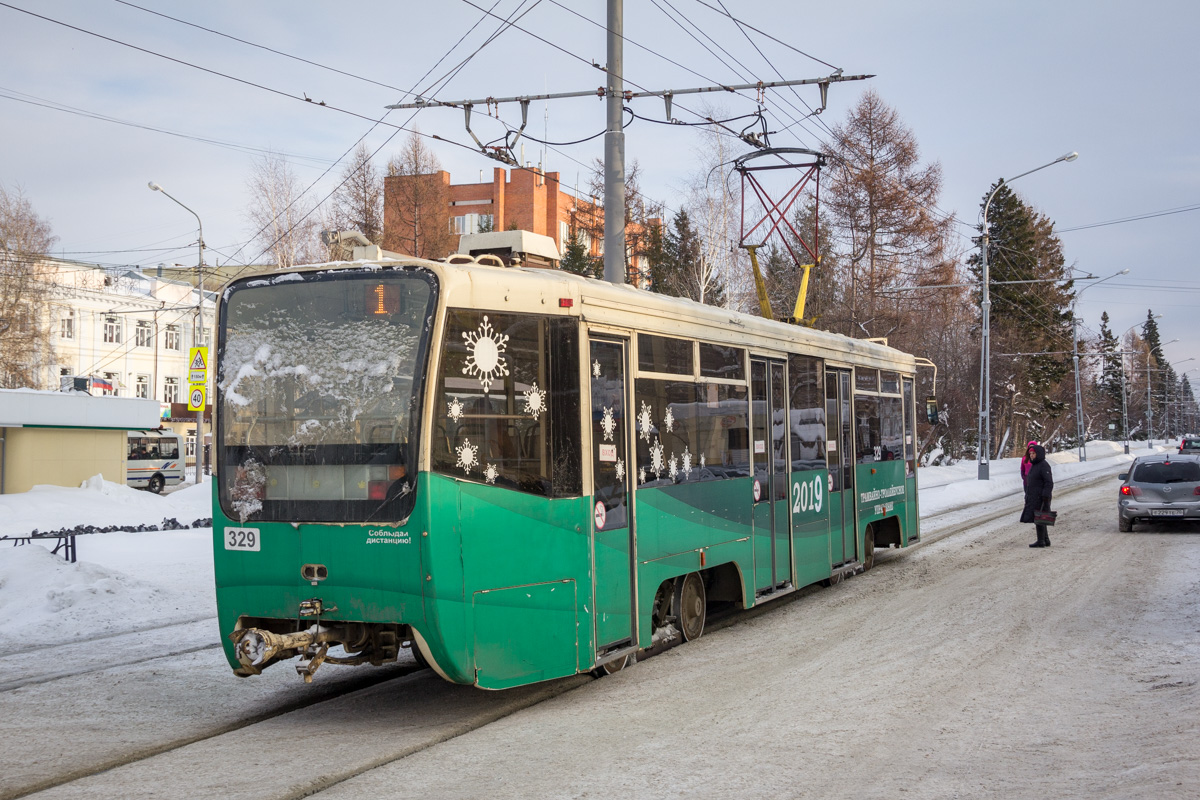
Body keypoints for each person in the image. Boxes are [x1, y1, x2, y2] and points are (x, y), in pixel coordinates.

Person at [1020, 443, 1053, 548]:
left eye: (1033, 453)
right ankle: (1045, 539)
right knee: (1040, 517)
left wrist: (1045, 495)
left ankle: (1041, 541)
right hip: (1034, 495)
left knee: (1039, 518)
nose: (1032, 455)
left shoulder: (1043, 465)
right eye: (1030, 454)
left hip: (1041, 496)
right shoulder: (1035, 465)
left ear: (1038, 454)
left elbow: (1049, 482)